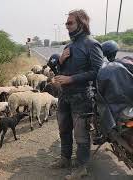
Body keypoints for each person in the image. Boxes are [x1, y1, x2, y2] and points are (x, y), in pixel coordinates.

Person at [50, 9, 103, 180]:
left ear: (82, 23)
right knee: (63, 129)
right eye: (66, 23)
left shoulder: (92, 44)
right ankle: (65, 159)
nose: (66, 26)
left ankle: (81, 167)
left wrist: (71, 78)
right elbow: (61, 71)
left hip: (82, 96)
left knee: (81, 134)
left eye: (70, 23)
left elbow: (97, 72)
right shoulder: (68, 46)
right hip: (64, 95)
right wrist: (60, 62)